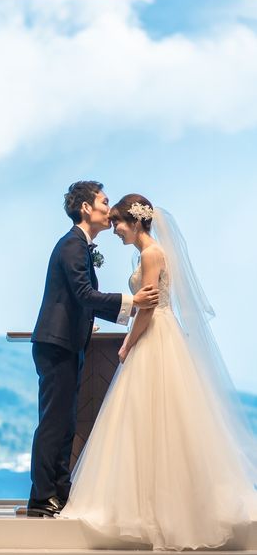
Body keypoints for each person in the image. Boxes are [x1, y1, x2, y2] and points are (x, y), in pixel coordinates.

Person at [59, 194, 257, 550]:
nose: (115, 230)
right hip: (157, 334)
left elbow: (148, 309)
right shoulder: (148, 253)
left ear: (136, 222)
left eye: (118, 223)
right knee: (149, 421)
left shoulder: (151, 254)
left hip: (155, 336)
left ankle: (163, 510)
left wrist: (127, 344)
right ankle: (148, 507)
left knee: (157, 419)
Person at [28, 182, 160, 518]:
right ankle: (42, 498)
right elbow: (84, 294)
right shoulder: (72, 245)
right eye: (104, 201)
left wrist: (88, 322)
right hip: (56, 344)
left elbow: (80, 300)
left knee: (66, 423)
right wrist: (133, 301)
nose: (109, 209)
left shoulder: (80, 246)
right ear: (86, 208)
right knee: (54, 423)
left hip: (67, 342)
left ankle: (59, 492)